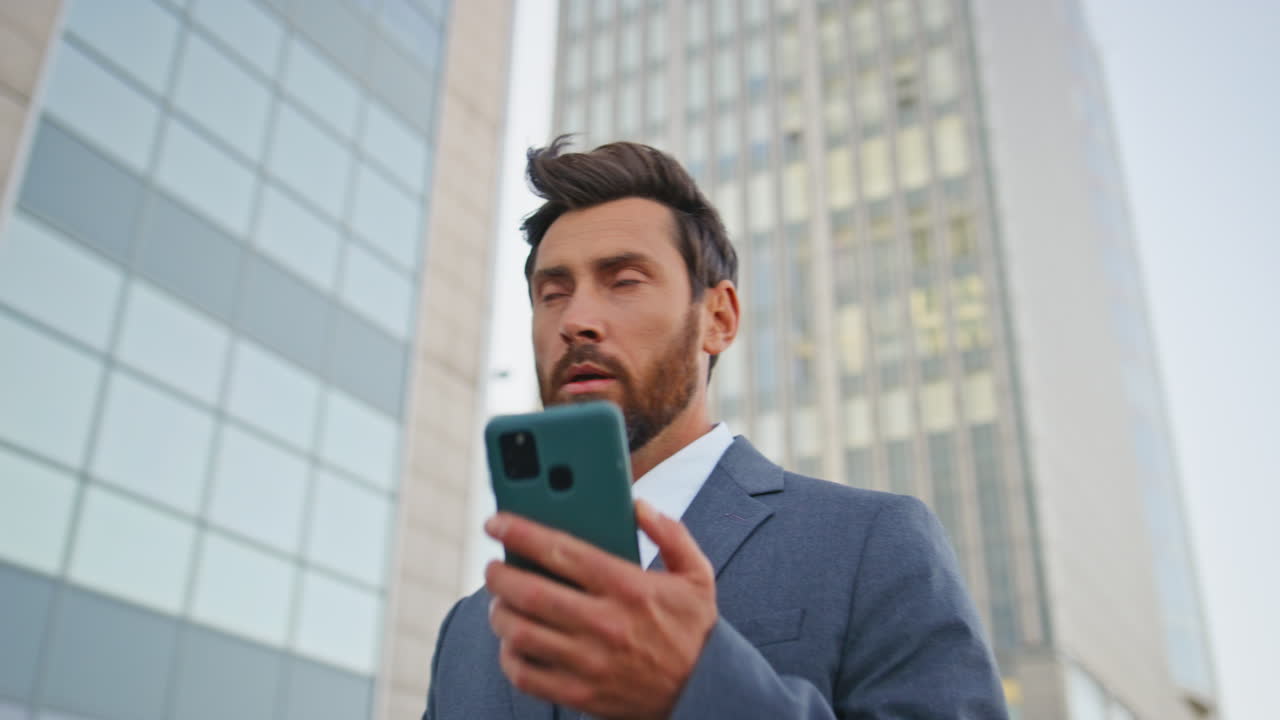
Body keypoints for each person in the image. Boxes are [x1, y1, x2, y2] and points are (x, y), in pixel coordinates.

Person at [423, 138, 1008, 719]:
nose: (576, 320)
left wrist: (704, 687)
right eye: (552, 294)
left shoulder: (870, 543)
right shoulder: (470, 632)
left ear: (719, 319)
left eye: (624, 281)